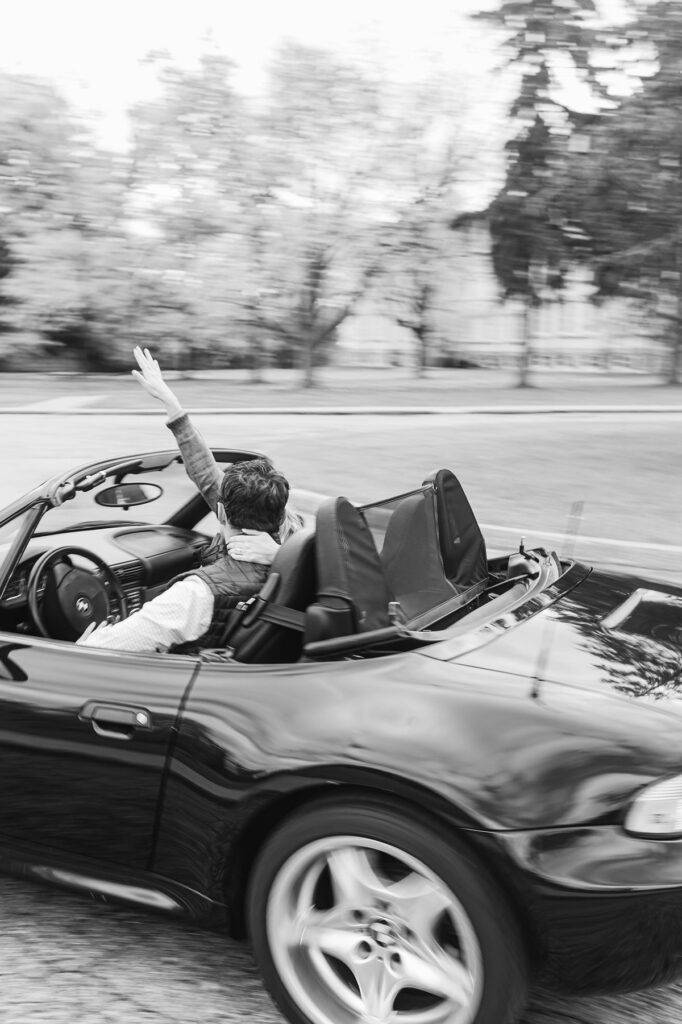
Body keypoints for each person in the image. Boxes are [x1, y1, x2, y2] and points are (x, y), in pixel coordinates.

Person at [77, 455, 290, 653]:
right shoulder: (298, 569)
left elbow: (105, 649)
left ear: (221, 512)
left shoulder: (197, 594)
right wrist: (281, 555)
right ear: (281, 517)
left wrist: (84, 644)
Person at [131, 346, 303, 564]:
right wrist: (283, 557)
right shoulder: (303, 545)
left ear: (222, 511)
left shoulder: (204, 585)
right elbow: (205, 474)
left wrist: (169, 401)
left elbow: (204, 473)